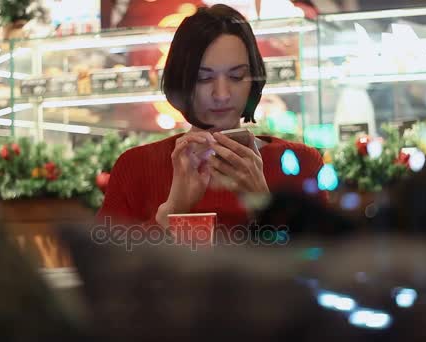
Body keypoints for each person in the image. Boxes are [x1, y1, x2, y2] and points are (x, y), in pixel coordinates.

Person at [97, 4, 326, 230]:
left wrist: (266, 207)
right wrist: (171, 213)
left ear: (254, 79)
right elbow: (103, 264)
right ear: (181, 82)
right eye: (203, 78)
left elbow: (328, 262)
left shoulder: (300, 163)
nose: (222, 94)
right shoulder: (136, 168)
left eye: (236, 76)